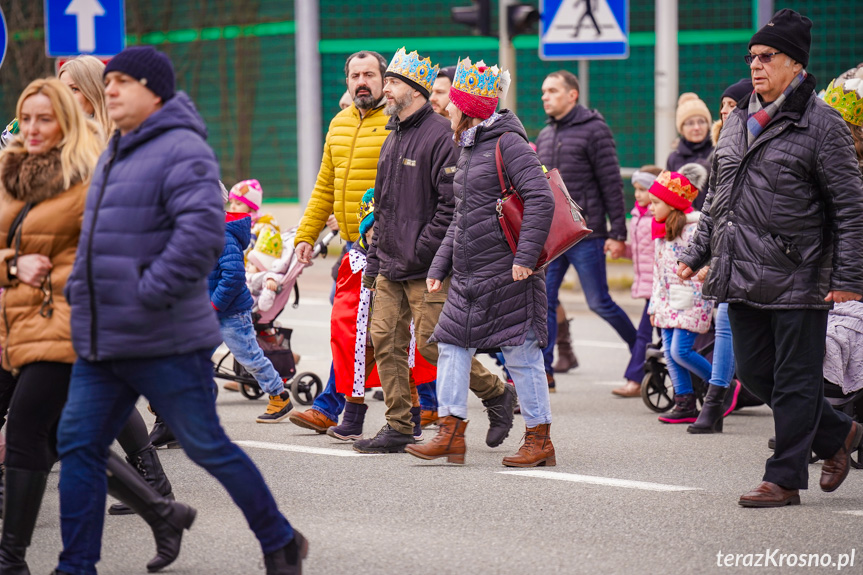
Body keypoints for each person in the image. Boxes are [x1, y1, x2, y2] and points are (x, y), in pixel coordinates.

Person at [53, 46, 306, 573]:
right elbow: (93, 239)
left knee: (207, 445)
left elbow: (198, 241)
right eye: (110, 81)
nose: (113, 89)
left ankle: (279, 539)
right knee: (77, 445)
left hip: (164, 333)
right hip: (105, 334)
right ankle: (76, 566)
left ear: (155, 92)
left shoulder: (182, 150)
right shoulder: (114, 147)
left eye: (124, 81)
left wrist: (142, 295)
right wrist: (81, 291)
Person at [0, 77, 196, 574]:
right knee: (67, 437)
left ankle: (11, 560)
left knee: (27, 429)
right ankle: (163, 511)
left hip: (73, 323)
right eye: (27, 119)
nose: (35, 128)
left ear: (67, 120)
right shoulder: (12, 175)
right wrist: (13, 266)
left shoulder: (91, 175)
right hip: (19, 326)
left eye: (46, 118)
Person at [678, 10, 863, 508]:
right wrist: (696, 253)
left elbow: (850, 207)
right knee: (758, 375)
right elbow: (719, 199)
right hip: (740, 271)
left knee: (798, 378)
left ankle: (783, 478)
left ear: (796, 64)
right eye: (752, 57)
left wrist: (847, 277)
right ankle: (839, 434)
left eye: (767, 57)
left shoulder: (824, 125)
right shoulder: (736, 122)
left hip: (800, 275)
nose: (755, 66)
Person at [356, 48, 515, 454]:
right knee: (385, 340)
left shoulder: (443, 136)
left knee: (434, 344)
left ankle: (496, 393)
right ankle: (398, 425)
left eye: (391, 82)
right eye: (387, 82)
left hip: (429, 267)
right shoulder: (392, 135)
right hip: (391, 263)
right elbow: (384, 209)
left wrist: (422, 251)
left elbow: (451, 208)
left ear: (415, 90)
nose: (385, 90)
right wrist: (375, 263)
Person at [405, 57, 555, 466]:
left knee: (521, 354)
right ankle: (451, 434)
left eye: (453, 102)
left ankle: (539, 439)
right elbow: (462, 215)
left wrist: (525, 257)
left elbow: (541, 199)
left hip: (508, 272)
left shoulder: (508, 143)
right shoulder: (469, 147)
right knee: (452, 346)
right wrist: (439, 266)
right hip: (471, 275)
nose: (446, 108)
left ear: (468, 107)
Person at [57, 53, 180, 516]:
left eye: (71, 89)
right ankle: (153, 486)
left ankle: (152, 489)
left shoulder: (116, 140)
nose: (64, 97)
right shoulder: (74, 140)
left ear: (90, 92)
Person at [288, 50, 391, 433]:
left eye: (369, 74)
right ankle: (339, 408)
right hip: (354, 247)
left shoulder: (398, 123)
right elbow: (324, 187)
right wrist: (306, 235)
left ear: (384, 79)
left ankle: (452, 401)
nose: (362, 81)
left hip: (392, 248)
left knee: (386, 333)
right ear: (347, 81)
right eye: (355, 75)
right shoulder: (339, 123)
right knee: (353, 329)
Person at [535, 70, 635, 389]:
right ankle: (545, 371)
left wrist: (618, 233)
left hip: (586, 234)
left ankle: (641, 353)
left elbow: (610, 183)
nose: (545, 97)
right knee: (545, 301)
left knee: (598, 302)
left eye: (552, 91)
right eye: (543, 92)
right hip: (554, 236)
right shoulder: (546, 134)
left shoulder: (595, 129)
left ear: (572, 94)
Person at [327, 189, 437, 440]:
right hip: (362, 333)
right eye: (372, 231)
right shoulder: (353, 260)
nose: (379, 237)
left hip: (396, 329)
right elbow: (344, 299)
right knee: (356, 375)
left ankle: (414, 421)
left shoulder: (399, 259)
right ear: (365, 232)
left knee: (405, 375)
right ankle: (352, 422)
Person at [209, 207, 293, 423]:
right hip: (209, 311)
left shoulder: (224, 236)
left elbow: (234, 277)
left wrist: (213, 306)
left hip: (231, 313)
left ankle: (279, 396)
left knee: (249, 356)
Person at [646, 169, 713, 424]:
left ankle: (721, 385)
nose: (651, 208)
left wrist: (701, 277)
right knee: (670, 354)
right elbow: (657, 271)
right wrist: (654, 306)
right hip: (666, 301)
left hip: (690, 299)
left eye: (656, 203)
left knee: (681, 351)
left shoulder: (693, 229)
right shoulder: (660, 230)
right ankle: (684, 402)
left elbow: (704, 260)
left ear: (672, 203)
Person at [612, 165, 662, 397]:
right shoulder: (638, 216)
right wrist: (624, 252)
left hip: (660, 287)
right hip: (647, 285)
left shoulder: (659, 217)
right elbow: (641, 251)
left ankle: (635, 379)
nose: (639, 194)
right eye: (637, 189)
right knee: (662, 335)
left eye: (643, 189)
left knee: (645, 333)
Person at [667, 93, 713, 210]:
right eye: (690, 123)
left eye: (701, 122)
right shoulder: (674, 158)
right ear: (681, 128)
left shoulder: (718, 151)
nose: (697, 127)